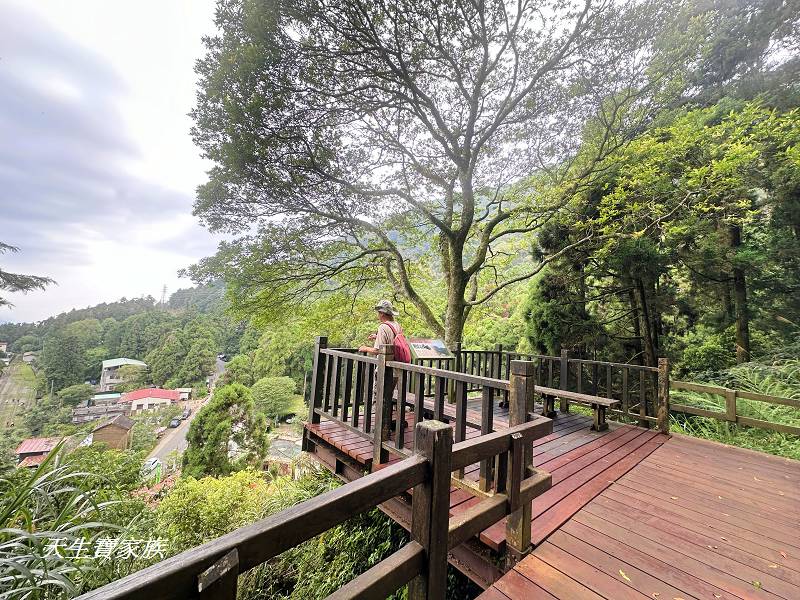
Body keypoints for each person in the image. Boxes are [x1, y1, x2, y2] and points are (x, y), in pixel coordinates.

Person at [358, 299, 406, 429]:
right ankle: (387, 422)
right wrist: (377, 336)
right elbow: (393, 341)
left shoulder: (383, 327)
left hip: (385, 368)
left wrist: (365, 348)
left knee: (379, 396)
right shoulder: (397, 325)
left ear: (382, 313)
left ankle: (380, 427)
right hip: (396, 367)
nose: (378, 315)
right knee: (388, 395)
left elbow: (378, 350)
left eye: (378, 313)